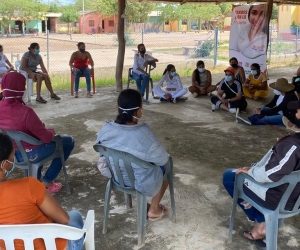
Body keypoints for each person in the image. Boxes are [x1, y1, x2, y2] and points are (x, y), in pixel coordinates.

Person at [223, 106, 300, 248]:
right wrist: (282, 147)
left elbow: (270, 174)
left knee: (230, 176)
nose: (296, 112)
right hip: (296, 196)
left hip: (280, 198)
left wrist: (251, 171)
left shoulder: (294, 144)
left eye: (298, 110)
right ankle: (263, 220)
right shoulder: (291, 143)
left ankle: (261, 224)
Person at [0, 132, 84, 250]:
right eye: (12, 157)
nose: (13, 161)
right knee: (74, 216)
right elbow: (64, 220)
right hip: (50, 246)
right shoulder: (29, 186)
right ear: (3, 165)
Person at [96, 89, 170, 221]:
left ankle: (142, 203)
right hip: (138, 182)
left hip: (116, 177)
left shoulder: (107, 128)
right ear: (139, 111)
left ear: (118, 108)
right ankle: (154, 209)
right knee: (167, 166)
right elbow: (162, 158)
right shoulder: (143, 133)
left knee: (136, 162)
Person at [0, 72, 74, 194]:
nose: (24, 88)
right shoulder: (26, 112)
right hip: (31, 154)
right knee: (67, 141)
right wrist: (51, 131)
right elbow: (46, 138)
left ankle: (36, 178)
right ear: (19, 89)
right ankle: (47, 181)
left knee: (34, 141)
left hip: (10, 154)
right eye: (23, 85)